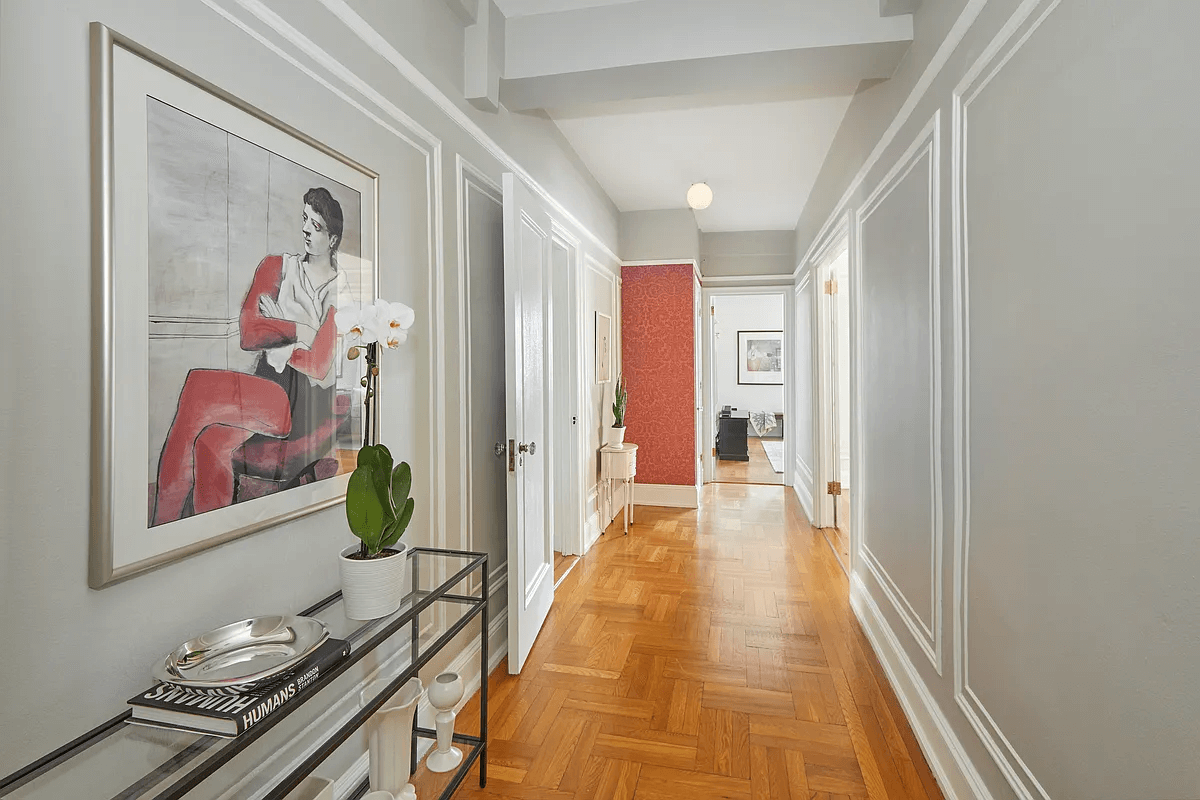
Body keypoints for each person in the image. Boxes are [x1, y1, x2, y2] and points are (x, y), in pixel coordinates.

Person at [151, 187, 347, 526]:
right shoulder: (277, 266)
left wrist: (277, 331)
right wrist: (300, 331)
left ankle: (162, 522)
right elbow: (248, 333)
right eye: (304, 220)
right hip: (268, 386)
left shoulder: (339, 290)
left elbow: (319, 365)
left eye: (315, 226)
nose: (305, 230)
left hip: (304, 403)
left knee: (199, 387)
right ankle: (206, 530)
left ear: (331, 239)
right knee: (210, 443)